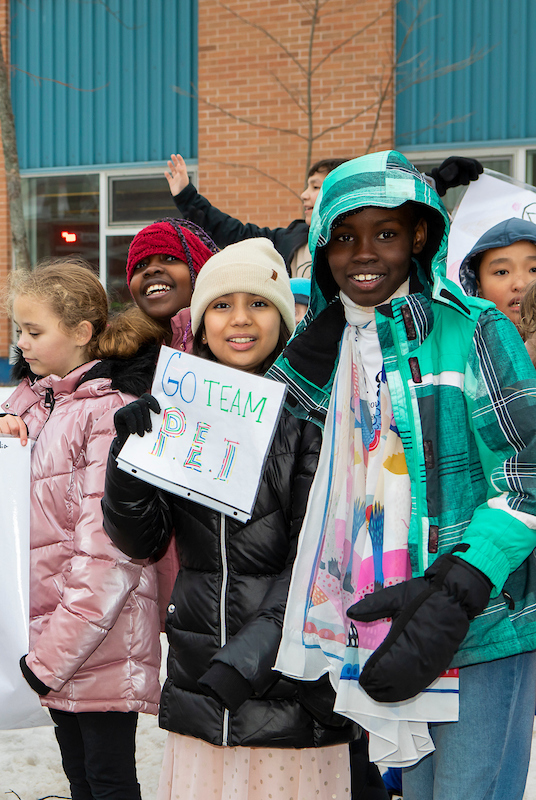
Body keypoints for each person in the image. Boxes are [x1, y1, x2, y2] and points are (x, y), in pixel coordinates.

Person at [267, 151, 536, 800]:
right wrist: (160, 435)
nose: (364, 253)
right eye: (344, 236)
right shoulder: (322, 351)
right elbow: (265, 472)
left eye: (385, 233)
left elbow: (526, 470)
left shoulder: (472, 331)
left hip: (481, 622)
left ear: (419, 236)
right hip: (380, 627)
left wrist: (459, 587)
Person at [103, 238, 357, 799]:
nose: (239, 320)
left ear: (284, 318)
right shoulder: (182, 408)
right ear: (199, 319)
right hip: (203, 689)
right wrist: (128, 465)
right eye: (221, 305)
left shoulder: (313, 418)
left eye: (259, 303)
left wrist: (243, 664)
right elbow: (140, 541)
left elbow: (317, 561)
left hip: (288, 693)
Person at [0, 258, 163, 800]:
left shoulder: (107, 413)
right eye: (19, 330)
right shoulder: (40, 400)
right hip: (58, 633)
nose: (23, 344)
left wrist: (52, 657)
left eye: (35, 332)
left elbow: (108, 555)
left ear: (83, 333)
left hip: (99, 638)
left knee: (107, 780)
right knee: (80, 777)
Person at [164, 153, 484, 278]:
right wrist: (186, 195)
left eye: (315, 187)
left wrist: (433, 183)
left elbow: (395, 203)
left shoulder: (375, 241)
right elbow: (230, 232)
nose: (304, 194)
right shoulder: (288, 239)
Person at [124, 218, 218, 352]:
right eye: (141, 265)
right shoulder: (116, 352)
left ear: (200, 273)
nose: (151, 270)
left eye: (170, 258)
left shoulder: (227, 342)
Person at [457, 217, 536, 332]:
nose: (520, 285)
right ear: (478, 285)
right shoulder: (461, 345)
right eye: (502, 272)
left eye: (534, 270)